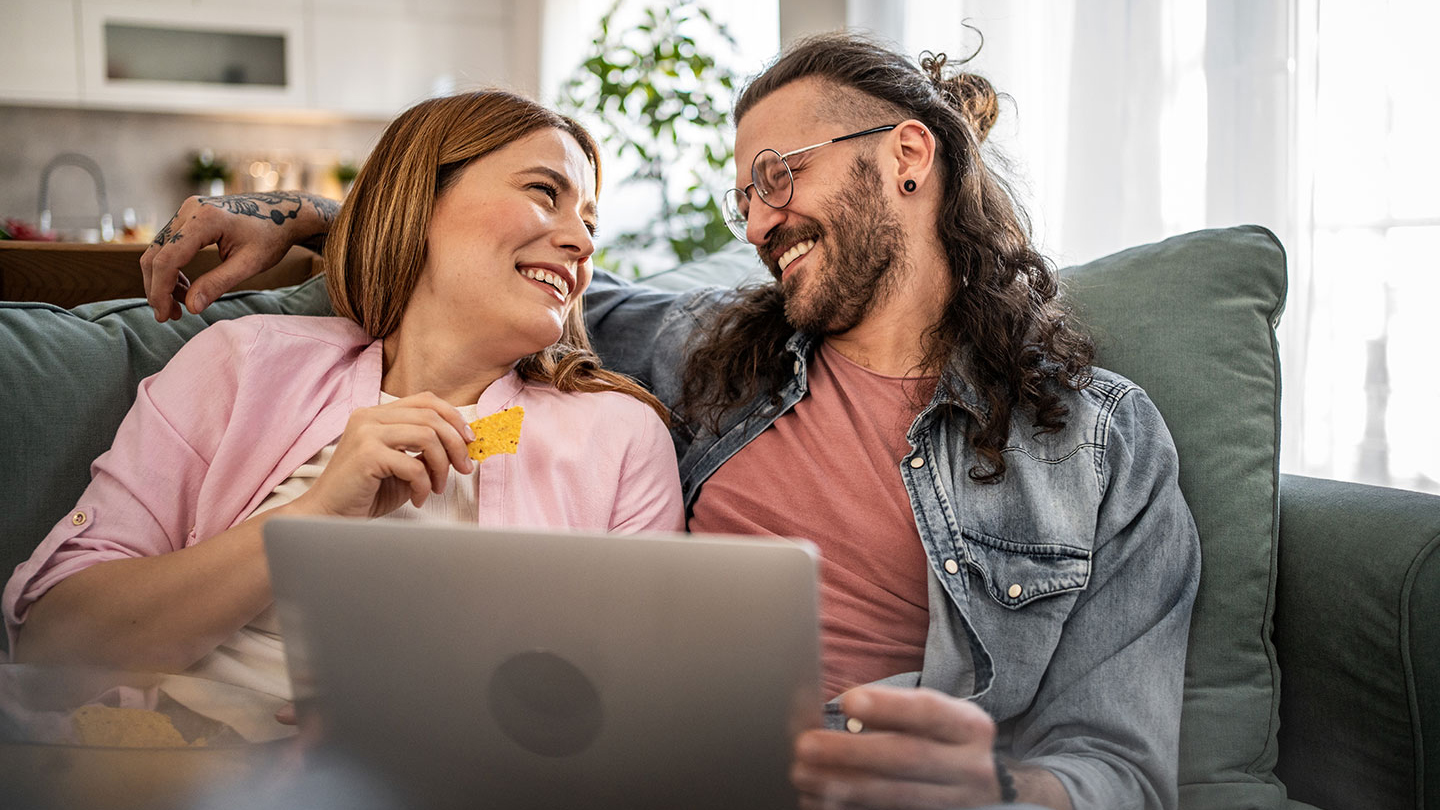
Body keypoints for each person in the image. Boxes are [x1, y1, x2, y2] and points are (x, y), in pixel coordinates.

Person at [129, 34, 1200, 810]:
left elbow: (1120, 761)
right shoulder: (711, 350)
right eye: (746, 199)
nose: (762, 222)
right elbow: (505, 273)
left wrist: (998, 798)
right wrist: (309, 218)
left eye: (780, 176)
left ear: (909, 158)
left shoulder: (1097, 443)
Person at [3, 90, 685, 700]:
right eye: (544, 191)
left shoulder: (619, 434)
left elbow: (647, 706)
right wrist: (312, 516)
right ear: (421, 199)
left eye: (591, 225)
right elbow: (52, 643)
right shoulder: (244, 364)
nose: (580, 243)